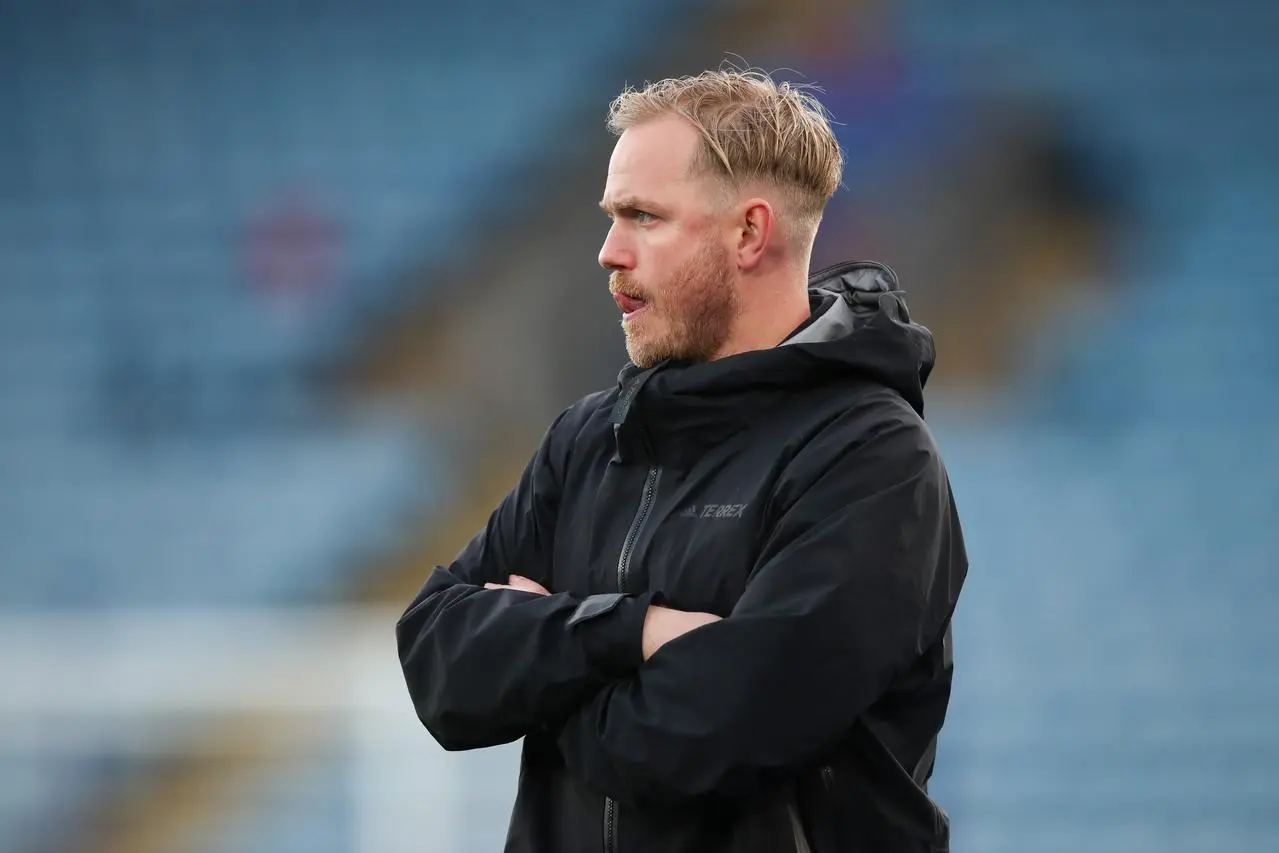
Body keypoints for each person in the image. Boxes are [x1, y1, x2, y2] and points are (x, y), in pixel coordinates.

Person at [396, 69, 968, 853]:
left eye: (642, 217)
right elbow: (437, 659)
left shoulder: (873, 459)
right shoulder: (590, 438)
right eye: (610, 217)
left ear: (747, 233)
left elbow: (697, 741)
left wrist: (540, 674)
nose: (607, 252)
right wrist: (635, 632)